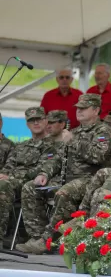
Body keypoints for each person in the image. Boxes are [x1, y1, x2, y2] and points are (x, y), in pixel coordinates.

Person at [21, 94, 111, 254]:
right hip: (67, 179)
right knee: (30, 187)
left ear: (95, 110)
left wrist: (73, 141)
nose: (78, 111)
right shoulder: (75, 131)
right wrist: (45, 172)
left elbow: (99, 156)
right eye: (77, 108)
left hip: (92, 180)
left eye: (83, 108)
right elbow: (58, 158)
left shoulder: (104, 131)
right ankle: (37, 236)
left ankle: (48, 240)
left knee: (64, 192)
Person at [0, 107, 58, 249]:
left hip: (32, 183)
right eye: (32, 120)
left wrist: (9, 177)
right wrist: (4, 175)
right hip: (11, 181)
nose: (36, 122)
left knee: (3, 186)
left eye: (39, 119)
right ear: (27, 124)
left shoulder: (54, 145)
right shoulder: (21, 146)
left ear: (45, 121)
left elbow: (42, 168)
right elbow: (9, 165)